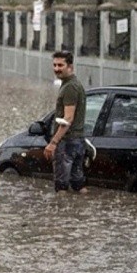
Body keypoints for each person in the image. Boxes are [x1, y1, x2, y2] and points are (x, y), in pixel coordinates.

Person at [43, 51, 88, 194]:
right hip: (78, 140)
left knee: (61, 187)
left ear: (70, 66)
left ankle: (61, 213)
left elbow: (68, 118)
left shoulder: (70, 87)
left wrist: (53, 143)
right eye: (55, 65)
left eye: (60, 65)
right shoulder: (73, 84)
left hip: (67, 141)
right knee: (78, 184)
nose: (56, 68)